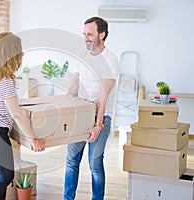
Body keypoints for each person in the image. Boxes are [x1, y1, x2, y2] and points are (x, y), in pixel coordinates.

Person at [0, 32, 45, 200]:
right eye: (19, 50)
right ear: (10, 54)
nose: (22, 54)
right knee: (5, 176)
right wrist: (33, 139)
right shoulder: (5, 82)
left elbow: (11, 108)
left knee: (2, 175)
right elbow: (17, 114)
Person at [64, 17, 120, 200]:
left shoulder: (110, 60)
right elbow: (73, 87)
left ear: (102, 35)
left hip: (101, 117)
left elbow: (102, 97)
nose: (86, 38)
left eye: (90, 34)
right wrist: (65, 110)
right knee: (71, 162)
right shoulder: (81, 57)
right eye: (84, 34)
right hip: (80, 115)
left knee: (95, 164)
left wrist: (98, 124)